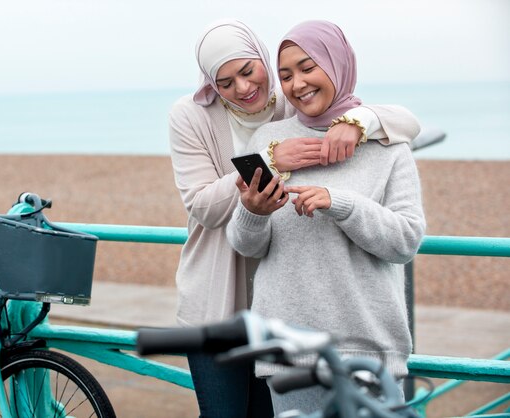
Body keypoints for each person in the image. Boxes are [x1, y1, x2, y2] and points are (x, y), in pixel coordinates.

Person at [169, 19, 421, 418]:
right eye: (225, 82)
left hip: (334, 329)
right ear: (211, 85)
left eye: (249, 71)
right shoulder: (197, 117)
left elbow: (398, 124)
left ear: (262, 63)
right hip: (225, 298)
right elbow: (209, 210)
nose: (243, 88)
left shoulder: (294, 101)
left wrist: (360, 123)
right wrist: (266, 167)